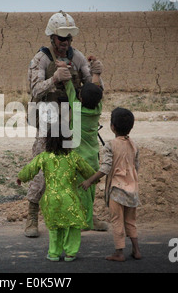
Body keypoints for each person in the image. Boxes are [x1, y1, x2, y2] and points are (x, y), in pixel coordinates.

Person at [25, 10, 104, 237]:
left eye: (69, 38)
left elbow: (94, 91)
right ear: (52, 37)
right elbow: (35, 89)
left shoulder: (77, 57)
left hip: (72, 119)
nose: (66, 42)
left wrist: (98, 74)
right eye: (62, 38)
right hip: (49, 121)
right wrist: (55, 79)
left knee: (79, 169)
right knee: (42, 167)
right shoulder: (41, 59)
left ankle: (86, 213)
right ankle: (32, 217)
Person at [17, 126, 96, 261]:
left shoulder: (43, 157)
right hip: (70, 199)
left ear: (48, 141)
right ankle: (70, 252)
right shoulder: (73, 157)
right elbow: (89, 173)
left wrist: (20, 178)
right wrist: (93, 180)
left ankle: (54, 253)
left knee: (54, 227)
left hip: (50, 199)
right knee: (72, 226)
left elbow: (29, 170)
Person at [81, 107, 141, 261]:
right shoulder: (134, 145)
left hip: (117, 190)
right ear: (131, 127)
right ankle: (136, 250)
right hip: (133, 189)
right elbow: (136, 167)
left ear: (112, 126)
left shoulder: (110, 145)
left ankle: (119, 252)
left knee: (117, 221)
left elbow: (106, 168)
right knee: (130, 221)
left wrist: (89, 181)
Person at [56, 59, 106, 231]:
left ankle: (81, 220)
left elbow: (69, 88)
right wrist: (96, 74)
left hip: (77, 160)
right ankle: (89, 218)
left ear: (81, 97)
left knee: (77, 190)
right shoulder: (98, 109)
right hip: (92, 159)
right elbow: (97, 87)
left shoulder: (76, 108)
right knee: (90, 191)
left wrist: (63, 69)